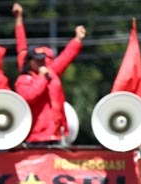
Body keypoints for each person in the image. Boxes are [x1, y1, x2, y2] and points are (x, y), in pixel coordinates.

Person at [13, 2, 86, 144]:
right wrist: (18, 19)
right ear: (29, 61)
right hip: (34, 138)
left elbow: (66, 56)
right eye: (38, 60)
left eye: (44, 60)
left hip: (56, 136)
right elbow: (30, 97)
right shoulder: (24, 79)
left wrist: (77, 39)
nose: (42, 63)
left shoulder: (51, 72)